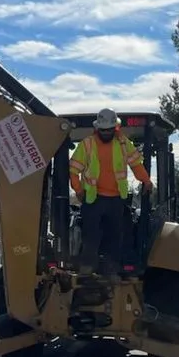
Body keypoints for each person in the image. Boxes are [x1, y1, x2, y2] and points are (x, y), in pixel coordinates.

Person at [69, 108, 153, 273]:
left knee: (115, 236)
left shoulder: (123, 144)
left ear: (116, 128)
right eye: (103, 130)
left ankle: (111, 269)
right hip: (94, 198)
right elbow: (74, 169)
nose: (106, 133)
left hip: (116, 198)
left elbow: (136, 164)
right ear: (97, 128)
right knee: (91, 235)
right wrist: (78, 190)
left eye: (109, 130)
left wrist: (146, 180)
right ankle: (88, 269)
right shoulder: (87, 144)